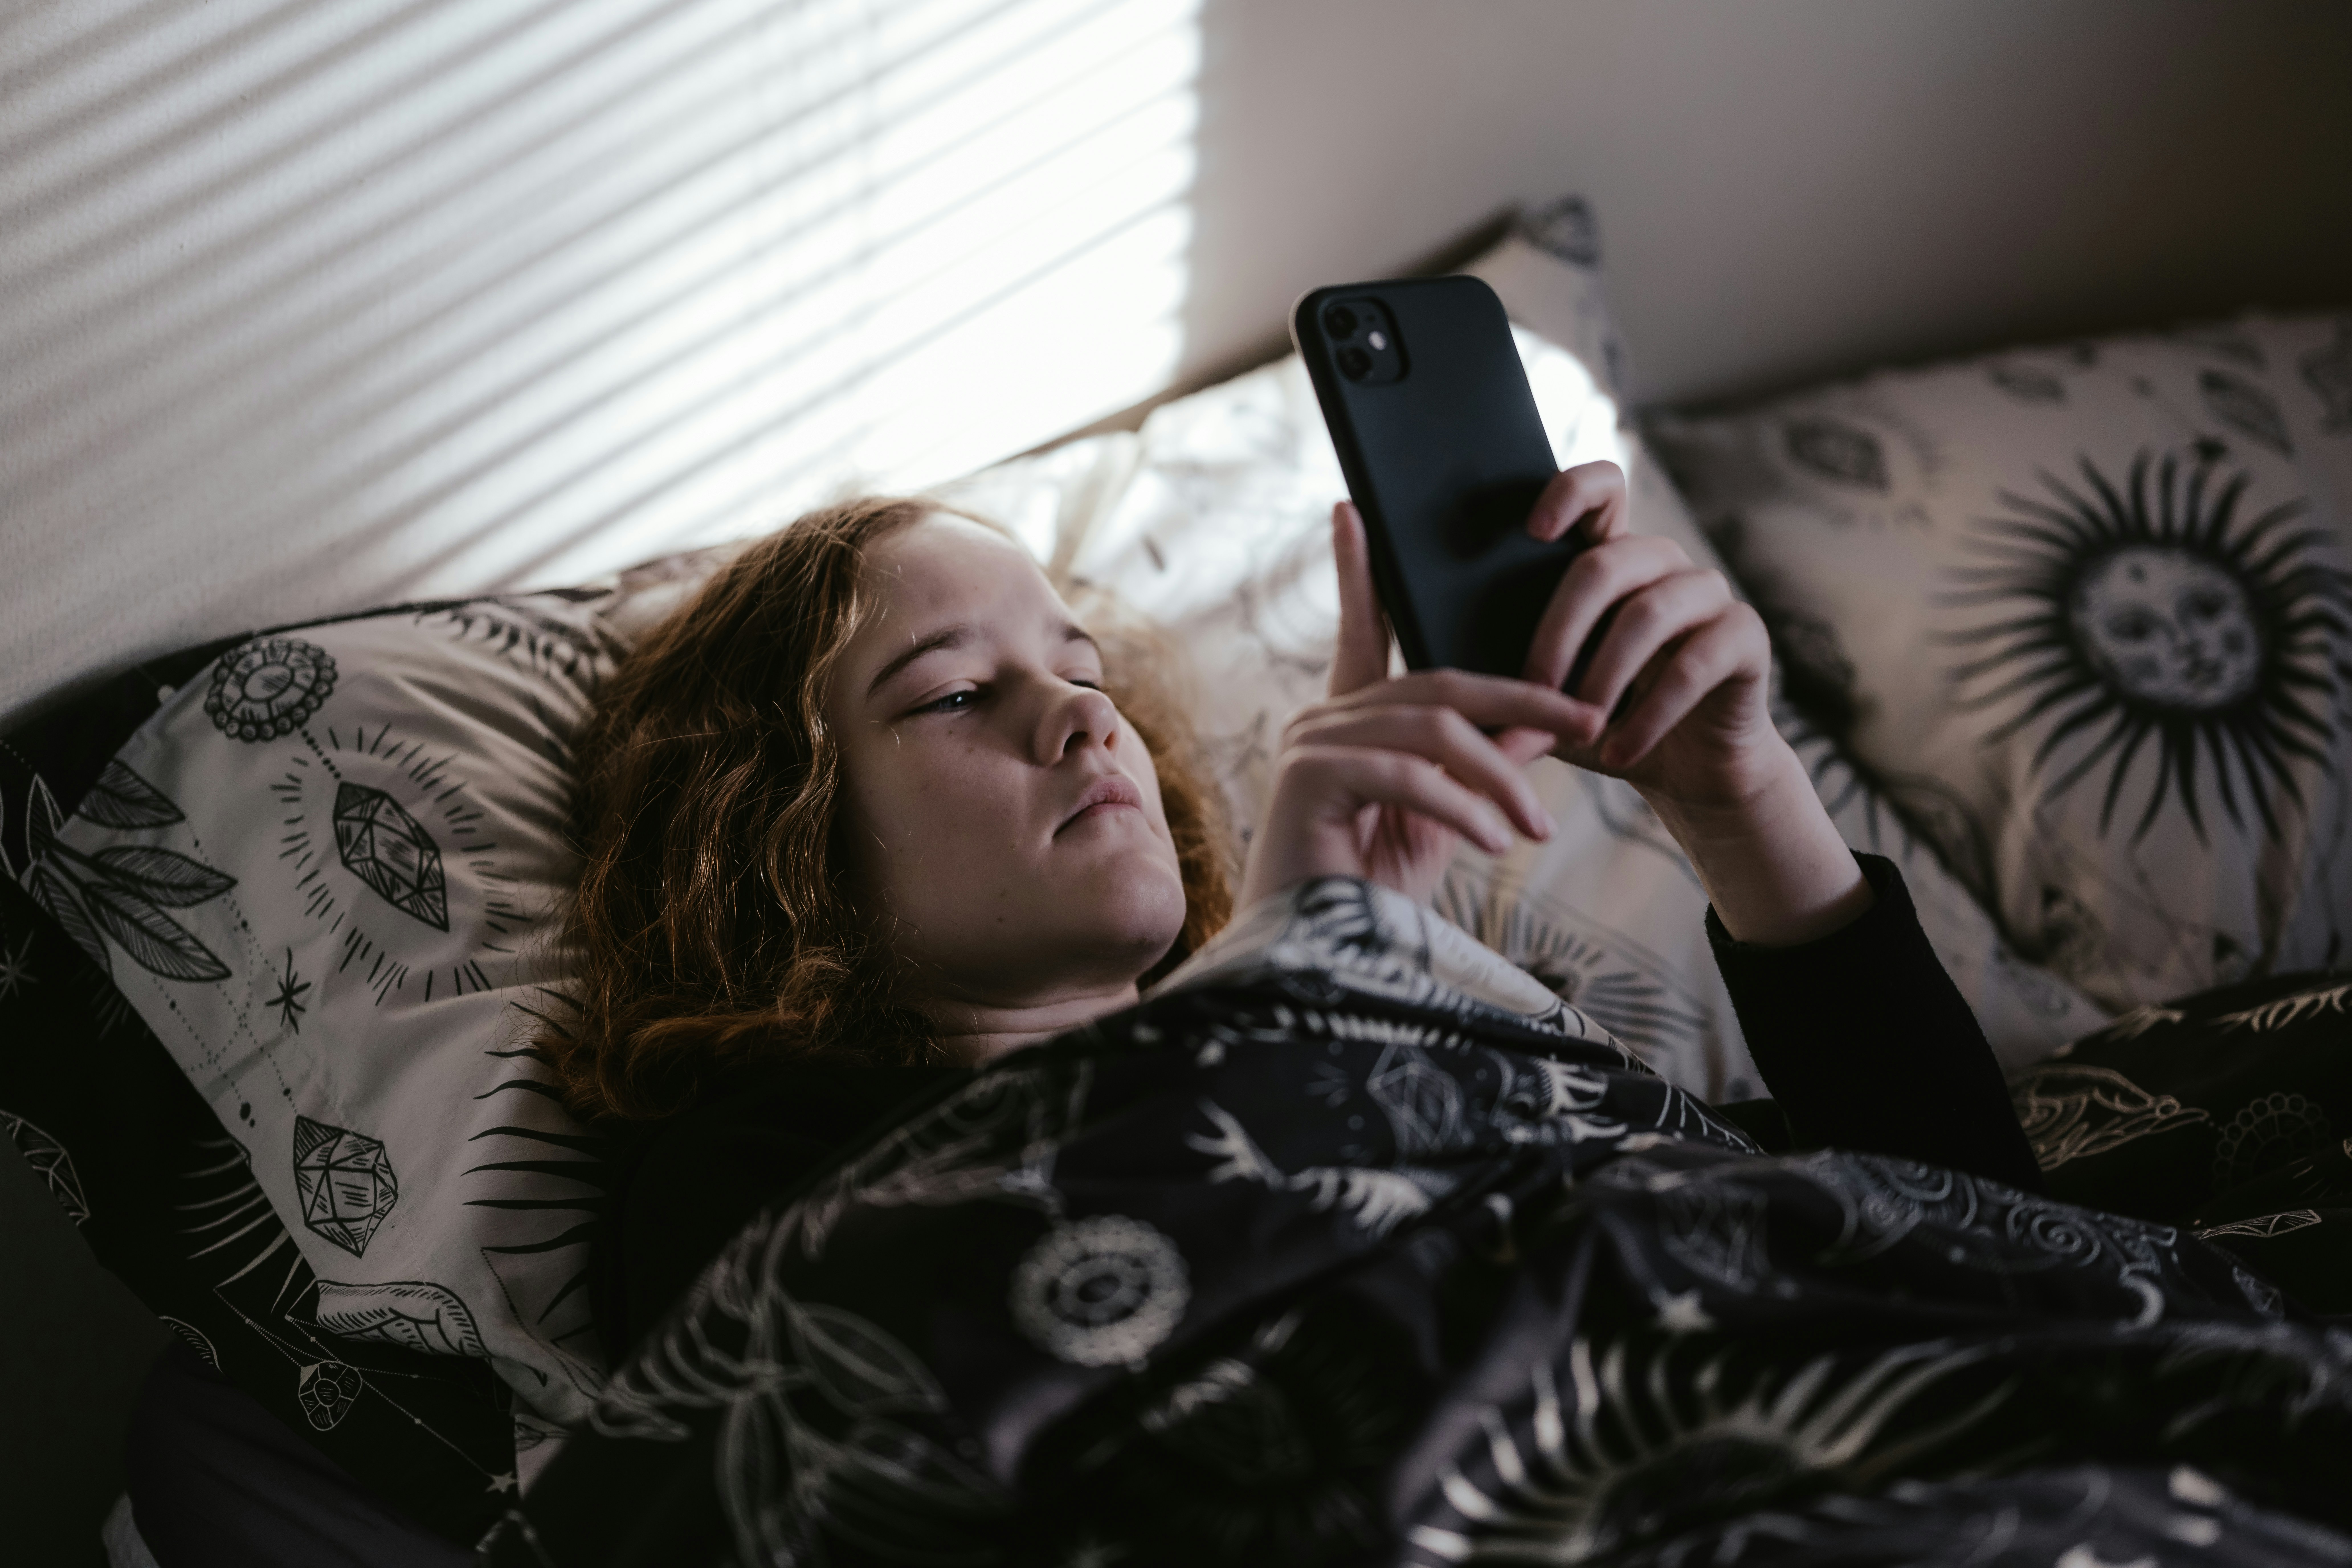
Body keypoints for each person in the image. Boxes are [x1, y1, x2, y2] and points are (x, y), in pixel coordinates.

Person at [549, 462, 2041, 1361]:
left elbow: (1987, 1242)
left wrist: (1736, 799)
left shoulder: (1436, 1000)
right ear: (775, 837)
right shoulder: (745, 1180)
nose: (1079, 720)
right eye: (951, 694)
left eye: (1085, 674)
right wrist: (1281, 1005)